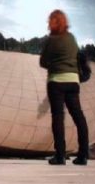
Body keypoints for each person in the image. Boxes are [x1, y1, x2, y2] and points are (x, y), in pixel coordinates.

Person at [38, 10, 89, 166]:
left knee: (58, 117)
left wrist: (54, 65)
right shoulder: (72, 38)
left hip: (56, 81)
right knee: (79, 116)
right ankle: (83, 155)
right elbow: (77, 57)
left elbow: (43, 62)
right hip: (73, 81)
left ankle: (60, 156)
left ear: (51, 22)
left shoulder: (50, 40)